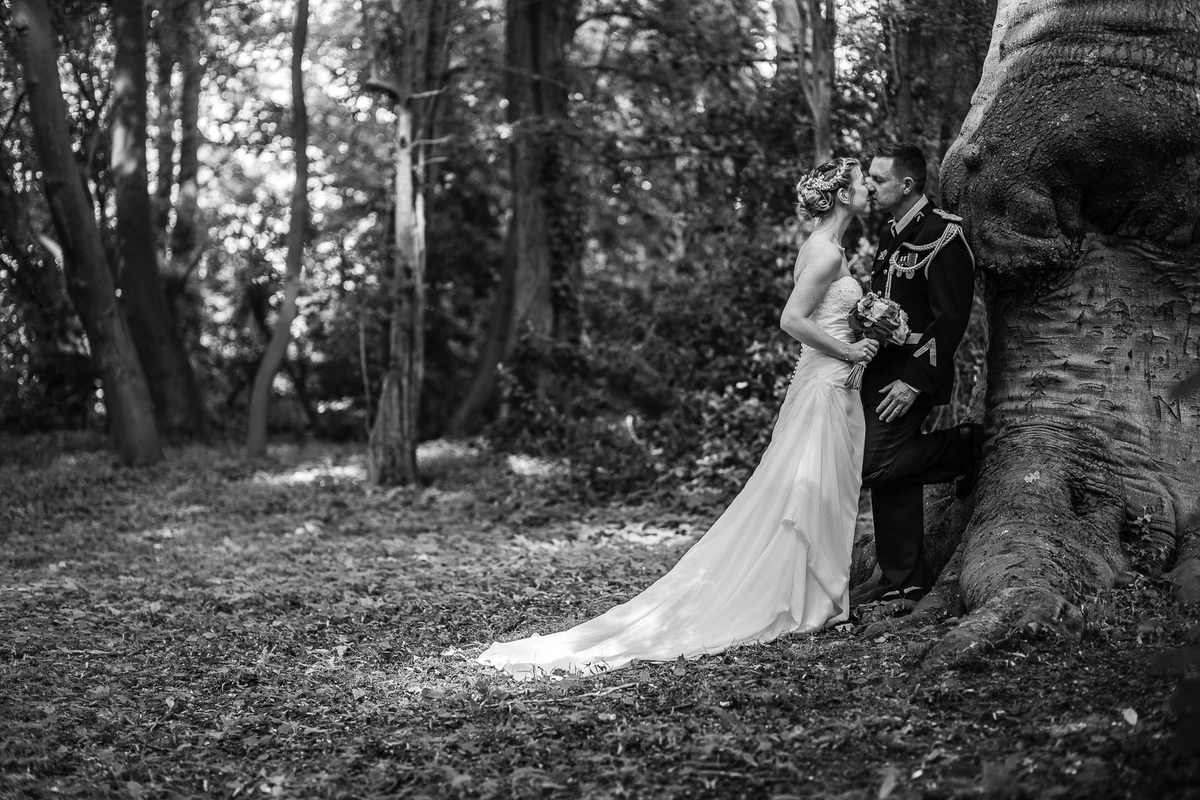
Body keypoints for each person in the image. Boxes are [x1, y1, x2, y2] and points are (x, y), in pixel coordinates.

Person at [477, 158, 879, 680]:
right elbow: (792, 320)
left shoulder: (827, 248)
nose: (868, 187)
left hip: (828, 381)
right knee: (807, 492)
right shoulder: (824, 252)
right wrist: (850, 351)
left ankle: (813, 590)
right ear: (842, 195)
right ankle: (797, 595)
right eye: (861, 181)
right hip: (825, 383)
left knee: (815, 490)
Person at [852, 142, 983, 606]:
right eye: (869, 177)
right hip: (880, 370)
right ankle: (901, 576)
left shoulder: (943, 234)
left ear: (907, 184)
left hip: (913, 375)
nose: (869, 185)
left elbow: (950, 319)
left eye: (878, 179)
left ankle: (964, 446)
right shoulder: (892, 233)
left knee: (874, 462)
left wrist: (913, 381)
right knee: (891, 469)